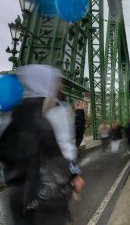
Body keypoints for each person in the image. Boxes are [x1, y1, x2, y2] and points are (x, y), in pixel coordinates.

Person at [0, 64, 84, 225]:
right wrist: (74, 174)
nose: (57, 85)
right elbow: (60, 147)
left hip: (18, 191)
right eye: (54, 81)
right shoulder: (52, 108)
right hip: (46, 191)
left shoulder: (12, 110)